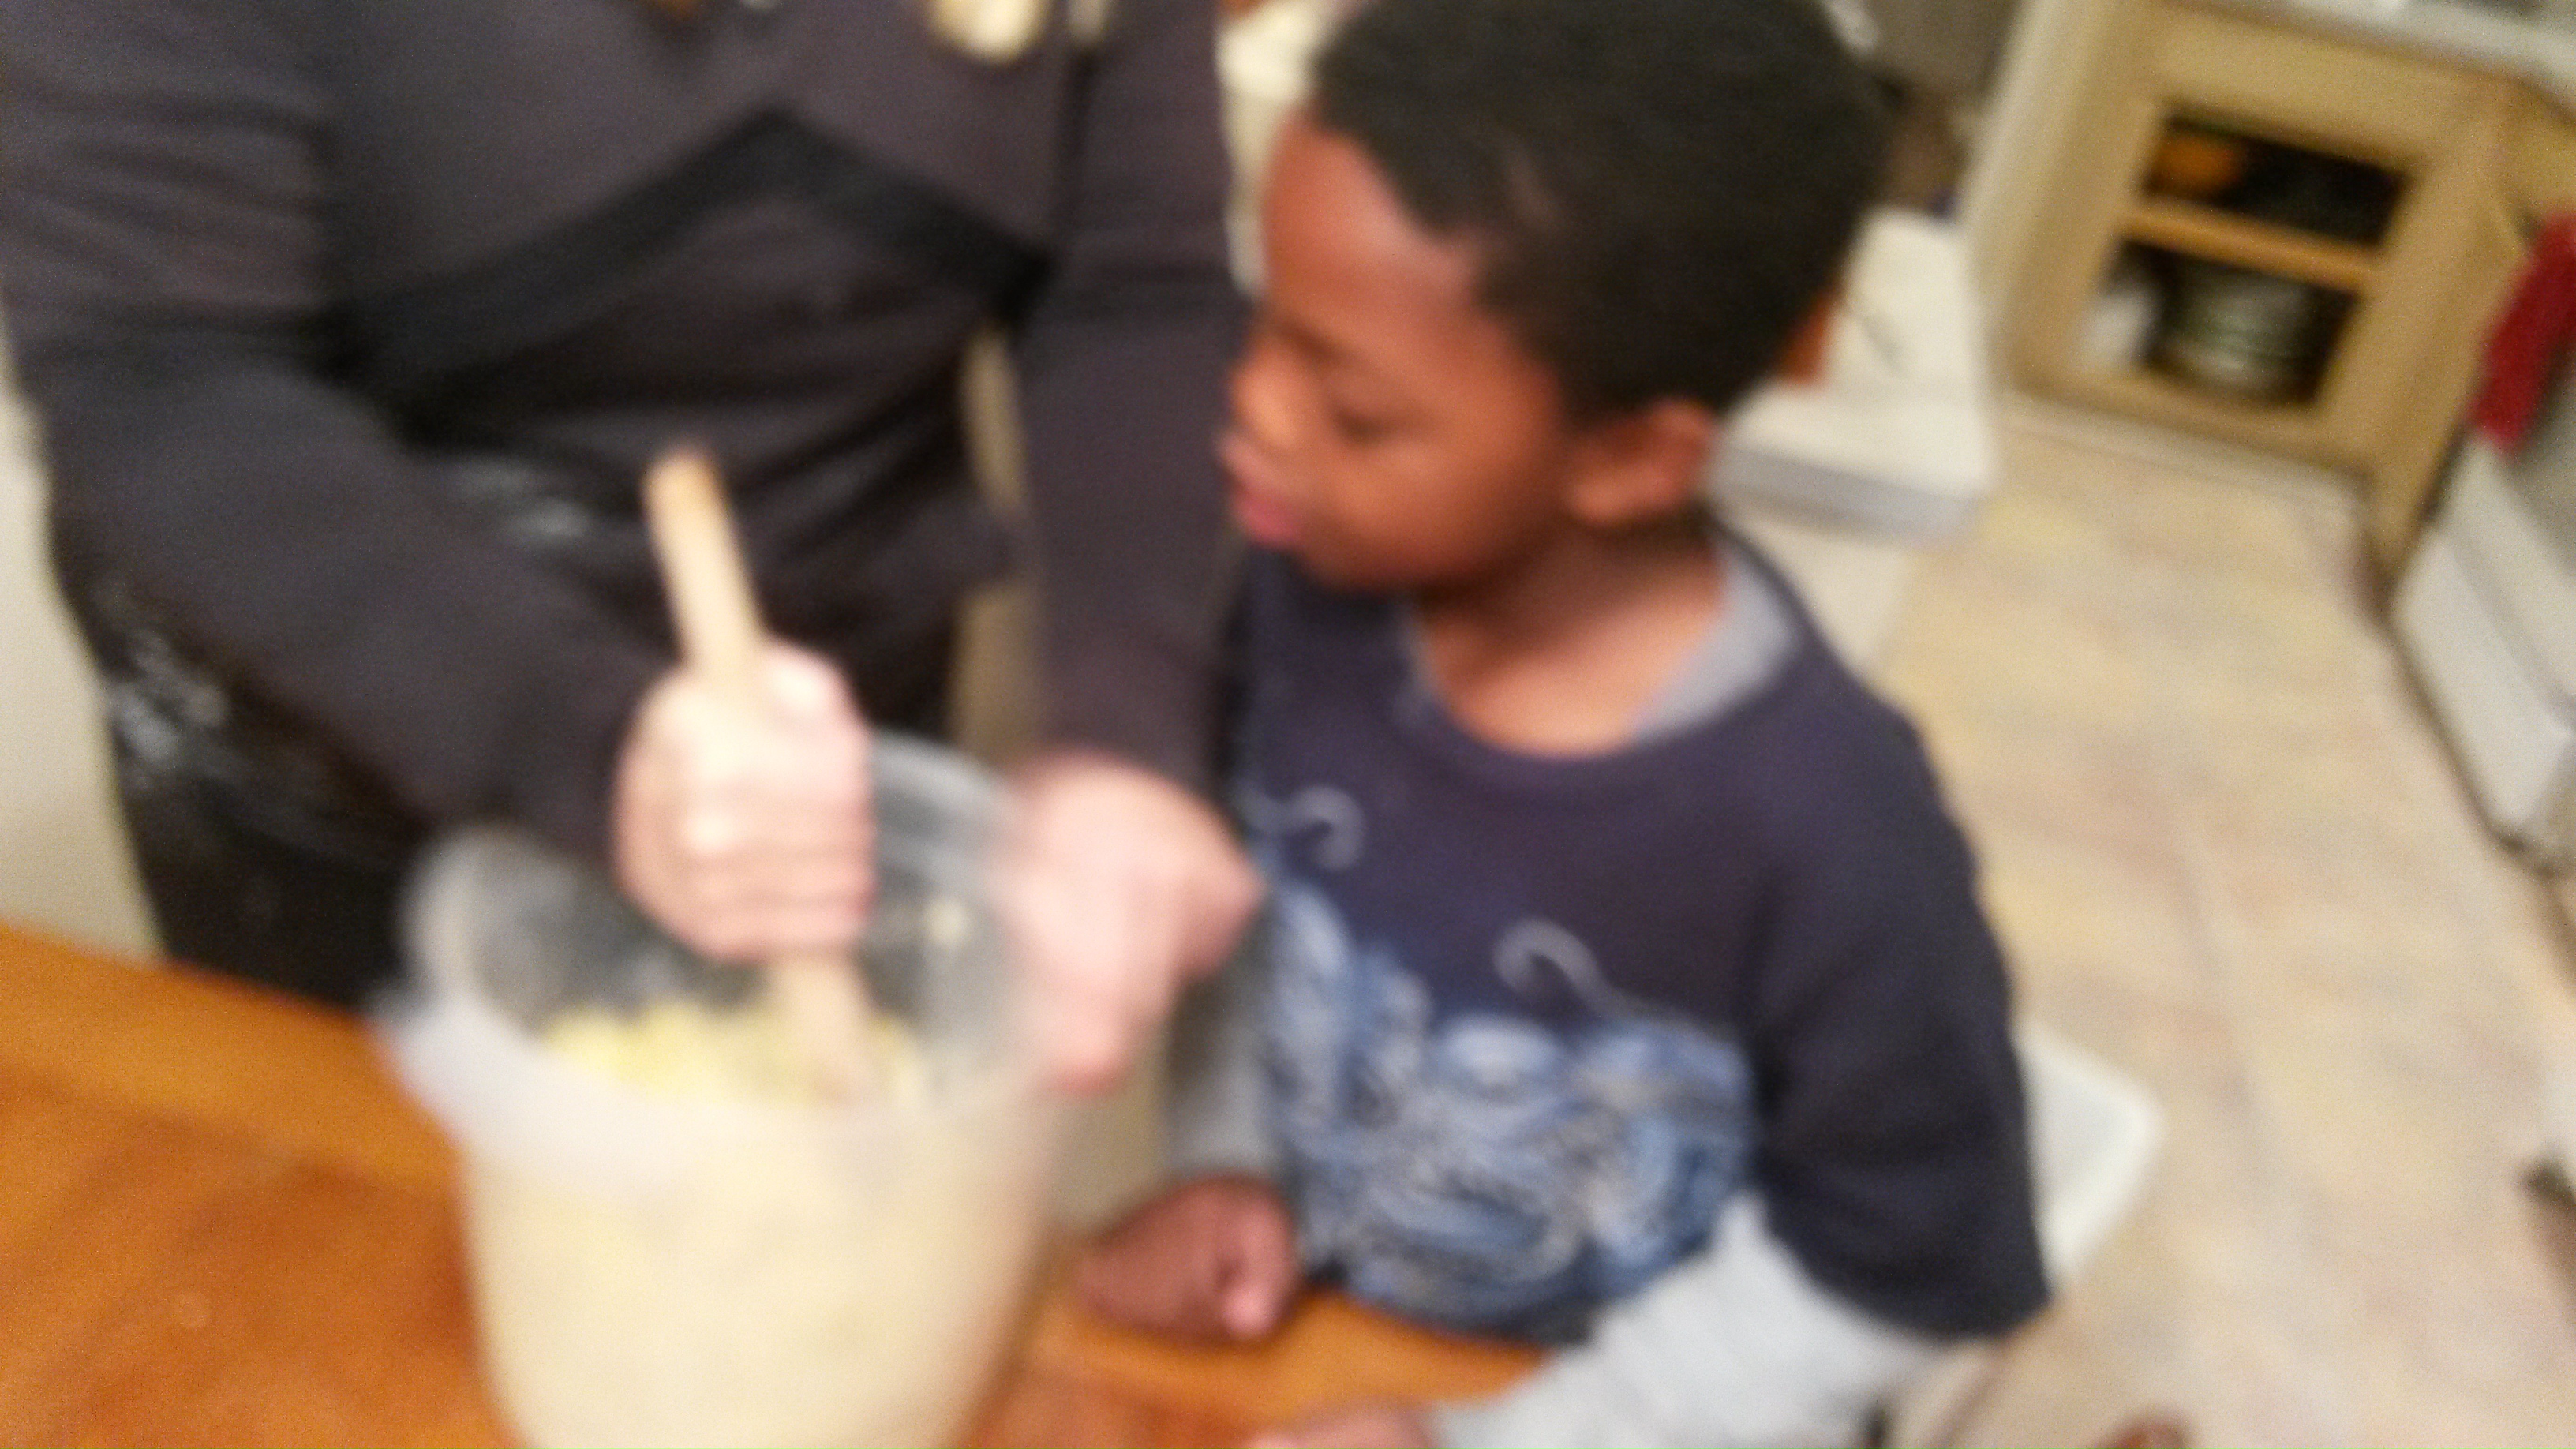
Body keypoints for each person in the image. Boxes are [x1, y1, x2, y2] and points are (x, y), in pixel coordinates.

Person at [1072, 0, 2050, 1441]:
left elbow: (1899, 1274)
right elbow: (1259, 908)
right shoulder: (1306, 591)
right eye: (1265, 322)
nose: (1255, 407)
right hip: (1345, 1347)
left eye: (1354, 410)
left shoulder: (1830, 828)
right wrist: (1233, 1165)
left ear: (1632, 457)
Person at [0, 0, 1257, 1085]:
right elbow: (157, 379)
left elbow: (1135, 291)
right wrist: (588, 743)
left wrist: (1123, 734)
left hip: (831, 737)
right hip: (352, 745)